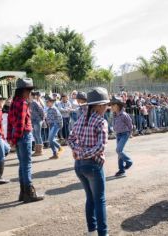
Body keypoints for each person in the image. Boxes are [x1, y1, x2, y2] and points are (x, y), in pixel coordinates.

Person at [68, 87, 110, 236]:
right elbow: (101, 147)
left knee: (90, 199)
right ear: (98, 106)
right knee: (99, 200)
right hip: (92, 164)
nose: (106, 108)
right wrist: (84, 154)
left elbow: (70, 138)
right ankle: (102, 234)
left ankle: (91, 231)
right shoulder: (101, 121)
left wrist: (77, 152)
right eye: (105, 105)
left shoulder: (81, 119)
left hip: (79, 165)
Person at [7, 78, 44, 203]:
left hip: (17, 136)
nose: (30, 93)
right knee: (26, 164)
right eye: (29, 90)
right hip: (23, 135)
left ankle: (23, 193)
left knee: (22, 164)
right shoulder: (23, 103)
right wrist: (15, 138)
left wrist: (11, 138)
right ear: (24, 91)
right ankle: (28, 192)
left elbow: (10, 123)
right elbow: (21, 124)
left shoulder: (14, 102)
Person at [110, 96, 133, 177]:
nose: (111, 107)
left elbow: (130, 124)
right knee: (119, 152)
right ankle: (121, 170)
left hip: (124, 134)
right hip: (118, 134)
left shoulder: (124, 115)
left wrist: (130, 133)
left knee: (118, 150)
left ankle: (129, 162)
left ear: (118, 106)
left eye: (113, 105)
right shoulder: (114, 114)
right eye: (111, 105)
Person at [45, 96, 64, 160]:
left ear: (51, 102)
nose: (46, 103)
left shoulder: (54, 109)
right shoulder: (48, 109)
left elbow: (60, 117)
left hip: (55, 125)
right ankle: (55, 154)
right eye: (46, 102)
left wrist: (60, 125)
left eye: (47, 102)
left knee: (50, 139)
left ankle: (59, 148)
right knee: (50, 140)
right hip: (51, 125)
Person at [30, 91, 45, 156]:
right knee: (35, 135)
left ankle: (40, 150)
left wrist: (42, 118)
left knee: (38, 135)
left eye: (30, 95)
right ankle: (37, 150)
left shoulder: (34, 102)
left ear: (32, 96)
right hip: (32, 121)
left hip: (37, 120)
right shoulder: (29, 103)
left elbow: (41, 110)